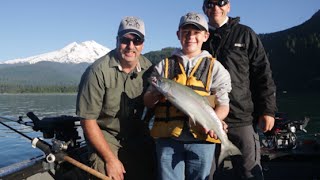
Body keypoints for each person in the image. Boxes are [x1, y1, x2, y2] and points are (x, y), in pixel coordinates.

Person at [144, 12, 231, 180]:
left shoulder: (216, 68)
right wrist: (155, 93)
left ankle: (227, 146)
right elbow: (147, 102)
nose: (191, 36)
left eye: (196, 32)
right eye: (186, 32)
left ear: (206, 36)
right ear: (178, 35)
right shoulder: (163, 66)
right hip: (168, 140)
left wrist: (215, 121)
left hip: (202, 140)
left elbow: (223, 104)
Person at [201, 0, 278, 179]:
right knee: (207, 174)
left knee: (249, 173)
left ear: (228, 6)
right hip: (208, 120)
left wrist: (267, 110)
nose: (215, 8)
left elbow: (263, 73)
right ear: (204, 8)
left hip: (242, 118)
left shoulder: (245, 34)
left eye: (220, 2)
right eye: (210, 4)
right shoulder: (199, 37)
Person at [76, 16, 156, 180]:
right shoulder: (97, 72)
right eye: (125, 40)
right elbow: (88, 122)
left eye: (137, 40)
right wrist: (111, 159)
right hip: (105, 135)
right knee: (108, 173)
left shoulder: (149, 69)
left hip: (137, 135)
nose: (130, 46)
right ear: (117, 40)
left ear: (143, 44)